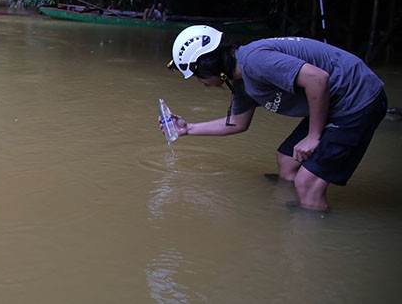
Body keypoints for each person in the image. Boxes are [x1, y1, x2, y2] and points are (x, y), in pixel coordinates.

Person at [164, 25, 386, 212]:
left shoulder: (255, 61)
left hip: (357, 98)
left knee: (307, 183)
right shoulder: (241, 79)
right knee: (287, 160)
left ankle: (310, 226)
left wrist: (313, 136)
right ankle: (293, 208)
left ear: (208, 66)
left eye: (197, 76)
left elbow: (317, 79)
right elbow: (237, 123)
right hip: (334, 100)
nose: (200, 82)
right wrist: (188, 128)